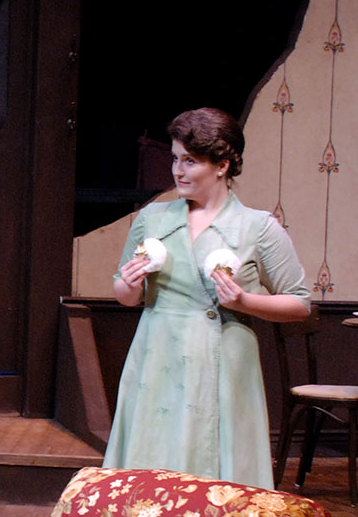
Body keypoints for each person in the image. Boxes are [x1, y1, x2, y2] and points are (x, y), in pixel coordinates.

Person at [104, 107, 311, 487]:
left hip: (221, 360)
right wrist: (130, 286)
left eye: (191, 161)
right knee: (150, 466)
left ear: (223, 165)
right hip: (156, 358)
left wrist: (244, 302)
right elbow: (124, 294)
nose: (178, 171)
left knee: (216, 473)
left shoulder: (256, 227)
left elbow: (299, 303)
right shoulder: (153, 219)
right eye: (175, 159)